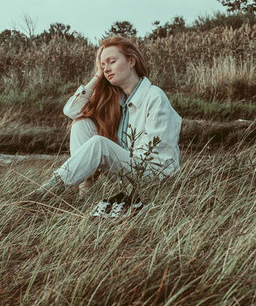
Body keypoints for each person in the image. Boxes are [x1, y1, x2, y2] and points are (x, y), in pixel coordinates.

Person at [36, 35, 182, 218]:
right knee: (81, 125)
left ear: (131, 61)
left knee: (99, 144)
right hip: (130, 171)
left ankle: (46, 192)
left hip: (155, 176)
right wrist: (97, 76)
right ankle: (85, 194)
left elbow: (153, 157)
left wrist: (108, 156)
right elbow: (71, 110)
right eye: (103, 65)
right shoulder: (116, 99)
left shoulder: (154, 97)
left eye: (112, 62)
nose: (106, 69)